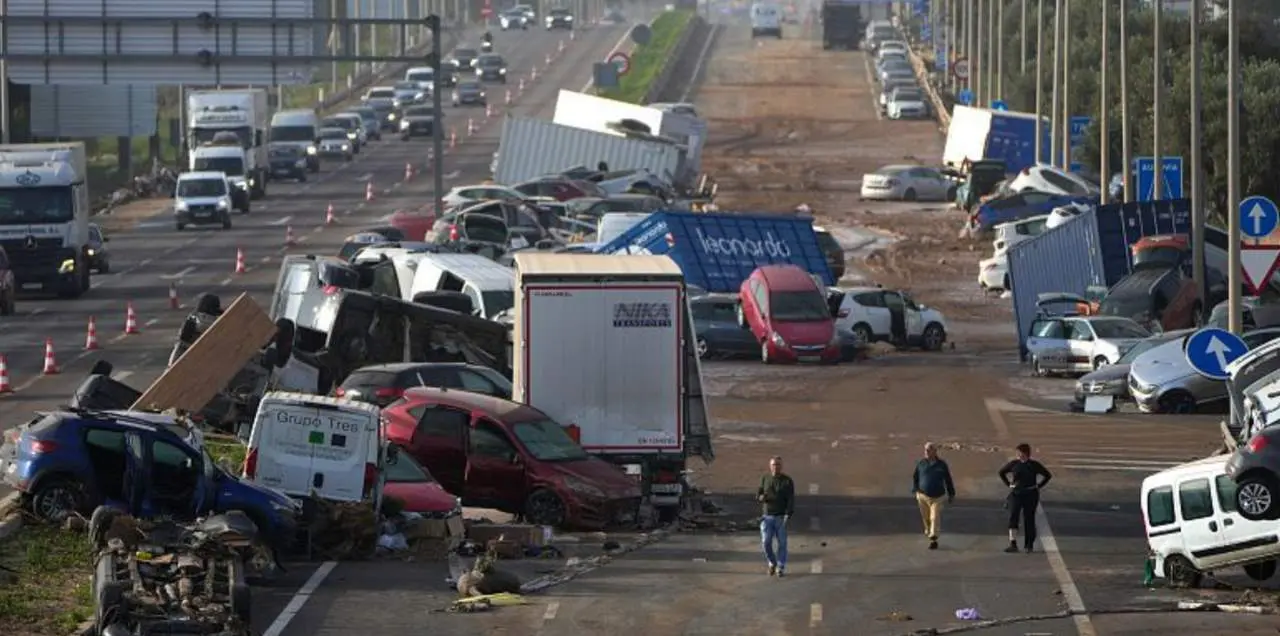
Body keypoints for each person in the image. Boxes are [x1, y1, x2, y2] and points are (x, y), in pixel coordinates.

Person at [998, 443, 1053, 553]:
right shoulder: (1014, 464)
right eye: (1017, 453)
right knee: (1013, 515)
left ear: (1026, 454)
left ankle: (1029, 544)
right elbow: (1001, 472)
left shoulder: (1034, 465)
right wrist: (1009, 484)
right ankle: (1012, 543)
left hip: (1030, 494)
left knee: (1029, 518)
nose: (1018, 455)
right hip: (1016, 493)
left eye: (1020, 453)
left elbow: (1047, 475)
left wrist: (1039, 486)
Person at [911, 442, 955, 550]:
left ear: (935, 451)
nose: (926, 451)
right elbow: (915, 477)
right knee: (926, 518)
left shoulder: (942, 465)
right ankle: (929, 531)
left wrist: (951, 493)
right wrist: (916, 489)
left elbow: (948, 479)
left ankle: (934, 538)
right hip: (922, 496)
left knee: (934, 517)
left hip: (937, 497)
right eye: (925, 449)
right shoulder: (921, 463)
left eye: (929, 449)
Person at [757, 456, 795, 577]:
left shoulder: (787, 481)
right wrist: (760, 497)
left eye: (778, 465)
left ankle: (781, 566)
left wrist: (788, 513)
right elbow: (759, 493)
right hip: (767, 516)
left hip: (780, 516)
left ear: (781, 466)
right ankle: (772, 563)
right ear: (770, 466)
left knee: (782, 543)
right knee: (766, 542)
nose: (776, 467)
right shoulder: (765, 478)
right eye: (773, 465)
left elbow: (790, 498)